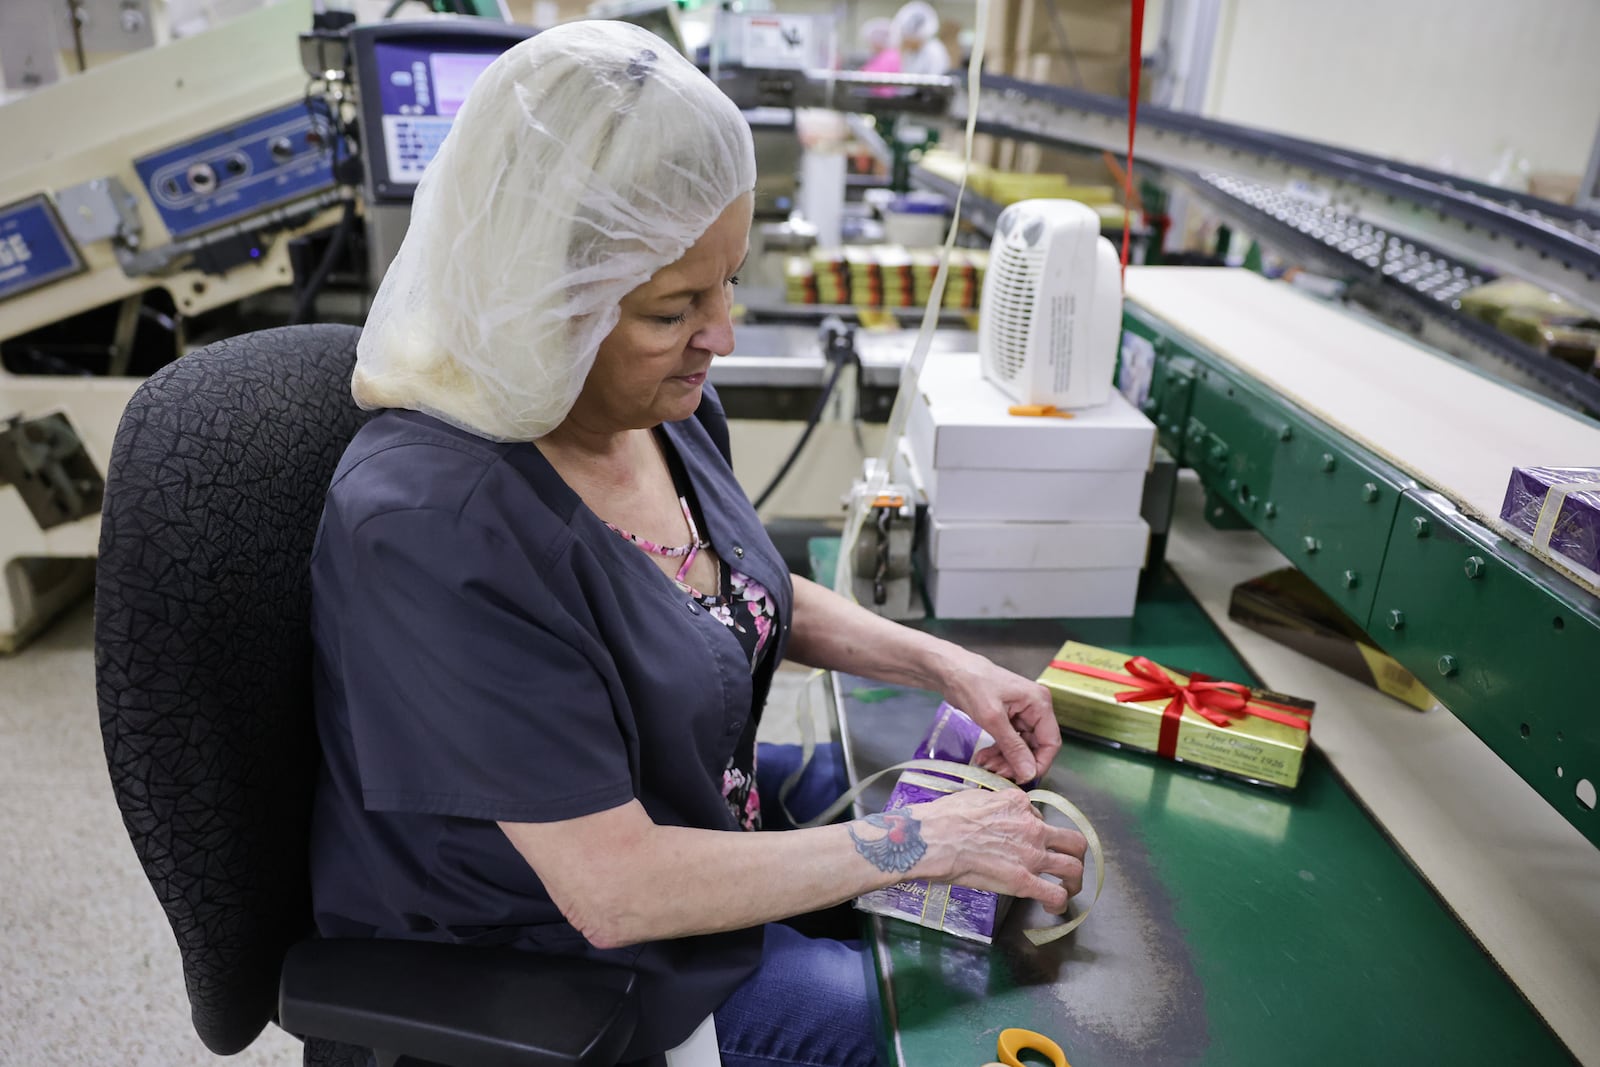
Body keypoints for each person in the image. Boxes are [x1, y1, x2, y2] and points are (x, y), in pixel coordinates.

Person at [308, 21, 1087, 1067]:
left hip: (691, 811)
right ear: (551, 301)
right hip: (560, 957)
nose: (720, 331)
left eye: (727, 279)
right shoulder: (431, 528)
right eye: (677, 305)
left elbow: (729, 590)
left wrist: (943, 664)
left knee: (986, 862)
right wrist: (915, 843)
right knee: (938, 1024)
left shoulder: (655, 409)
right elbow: (614, 889)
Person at [892, 0, 951, 76]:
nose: (905, 42)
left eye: (908, 39)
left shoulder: (934, 51)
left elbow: (935, 78)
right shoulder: (911, 53)